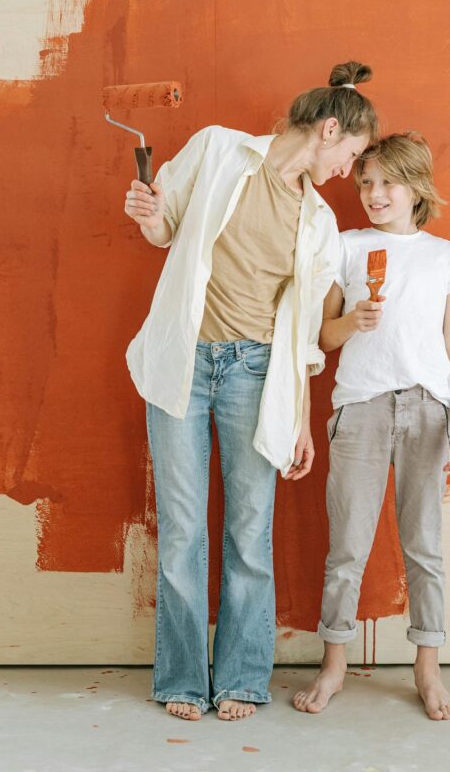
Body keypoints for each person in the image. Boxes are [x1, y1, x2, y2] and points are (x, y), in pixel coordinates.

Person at [124, 62, 378, 721]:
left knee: (248, 529)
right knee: (181, 529)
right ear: (327, 130)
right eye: (349, 155)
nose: (346, 173)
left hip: (257, 375)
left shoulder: (317, 221)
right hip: (182, 362)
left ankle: (238, 677)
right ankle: (182, 679)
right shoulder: (217, 148)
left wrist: (295, 414)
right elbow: (165, 226)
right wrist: (145, 211)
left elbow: (300, 332)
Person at [293, 132, 450, 721]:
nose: (373, 193)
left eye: (387, 182)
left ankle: (427, 667)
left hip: (427, 407)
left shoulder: (446, 255)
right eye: (365, 181)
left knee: (425, 546)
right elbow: (324, 336)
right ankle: (334, 664)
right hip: (361, 408)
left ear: (415, 186)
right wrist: (354, 320)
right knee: (347, 547)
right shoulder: (346, 247)